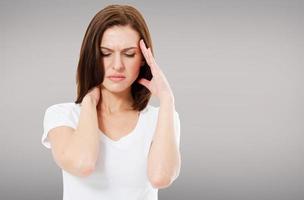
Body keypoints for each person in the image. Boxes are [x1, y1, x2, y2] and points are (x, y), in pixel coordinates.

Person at [41, 4, 181, 200]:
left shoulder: (163, 118)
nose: (117, 65)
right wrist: (89, 102)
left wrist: (167, 99)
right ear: (92, 56)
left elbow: (161, 178)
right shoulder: (62, 116)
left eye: (129, 54)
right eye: (106, 53)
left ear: (143, 59)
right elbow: (84, 163)